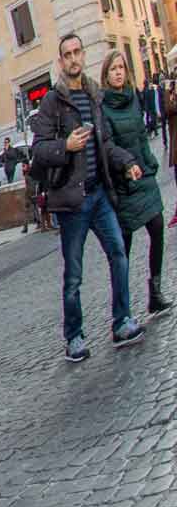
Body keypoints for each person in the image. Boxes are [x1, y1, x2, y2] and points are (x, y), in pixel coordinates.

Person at [31, 33, 146, 361]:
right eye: (66, 54)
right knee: (74, 274)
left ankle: (122, 321)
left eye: (77, 52)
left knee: (119, 254)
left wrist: (127, 163)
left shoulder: (95, 95)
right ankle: (74, 337)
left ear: (83, 55)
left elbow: (105, 143)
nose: (72, 59)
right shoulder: (52, 102)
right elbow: (38, 149)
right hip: (72, 202)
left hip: (99, 194)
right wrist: (65, 146)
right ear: (60, 61)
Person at [101, 51, 168, 317]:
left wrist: (150, 164)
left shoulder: (133, 100)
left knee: (158, 227)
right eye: (113, 69)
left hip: (144, 175)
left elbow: (141, 135)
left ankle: (155, 292)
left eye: (121, 68)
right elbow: (109, 146)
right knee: (123, 247)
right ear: (106, 75)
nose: (118, 72)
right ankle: (123, 309)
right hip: (124, 182)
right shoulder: (102, 107)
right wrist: (126, 167)